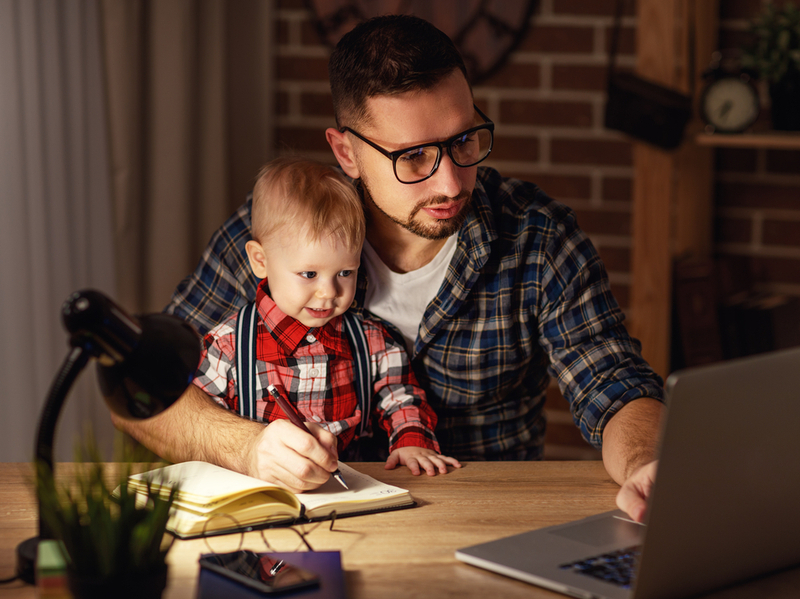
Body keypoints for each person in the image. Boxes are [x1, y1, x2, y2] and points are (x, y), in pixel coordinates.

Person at [111, 14, 664, 522]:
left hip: (486, 523)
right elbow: (143, 391)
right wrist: (247, 446)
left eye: (465, 139)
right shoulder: (273, 241)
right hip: (302, 530)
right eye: (414, 156)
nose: (451, 183)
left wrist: (647, 463)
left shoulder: (537, 239)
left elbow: (613, 382)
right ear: (347, 153)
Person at [191, 156, 460, 482]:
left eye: (345, 272)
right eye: (309, 274)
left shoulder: (371, 341)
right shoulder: (228, 346)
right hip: (263, 493)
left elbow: (401, 396)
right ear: (260, 261)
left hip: (354, 492)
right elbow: (202, 423)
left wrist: (411, 441)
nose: (328, 292)